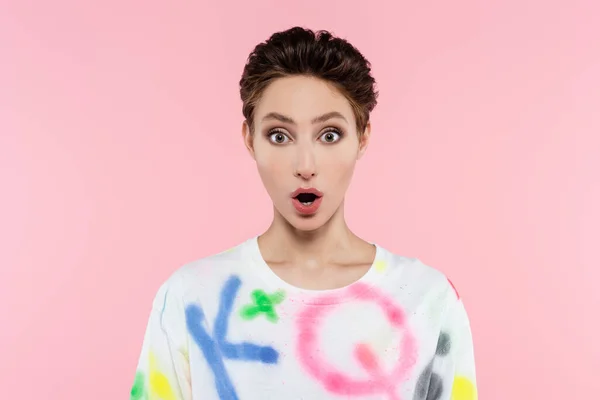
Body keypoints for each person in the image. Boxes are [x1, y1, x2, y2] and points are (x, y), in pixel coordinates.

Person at [130, 26, 477, 400]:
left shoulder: (427, 299)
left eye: (329, 135)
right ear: (250, 139)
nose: (305, 165)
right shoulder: (191, 297)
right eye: (280, 135)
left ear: (363, 138)